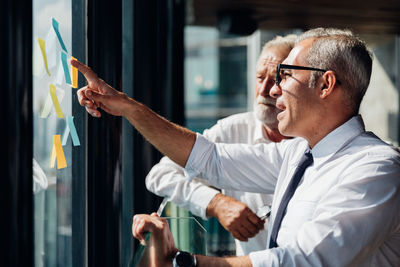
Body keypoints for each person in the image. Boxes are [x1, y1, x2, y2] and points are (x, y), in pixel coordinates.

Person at [73, 28, 400, 266]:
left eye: (285, 75)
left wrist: (186, 263)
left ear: (327, 84)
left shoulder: (376, 168)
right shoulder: (299, 153)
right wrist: (128, 107)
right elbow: (208, 158)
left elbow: (305, 261)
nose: (274, 90)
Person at [145, 34, 296, 256]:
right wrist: (215, 203)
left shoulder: (316, 140)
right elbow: (160, 174)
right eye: (259, 77)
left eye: (276, 79)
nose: (265, 90)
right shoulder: (232, 130)